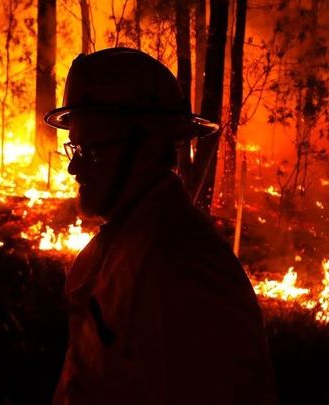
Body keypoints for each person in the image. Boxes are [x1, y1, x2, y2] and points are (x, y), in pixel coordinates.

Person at [45, 48, 278, 404]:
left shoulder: (183, 267)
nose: (73, 169)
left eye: (91, 151)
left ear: (149, 147)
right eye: (74, 149)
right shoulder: (126, 241)